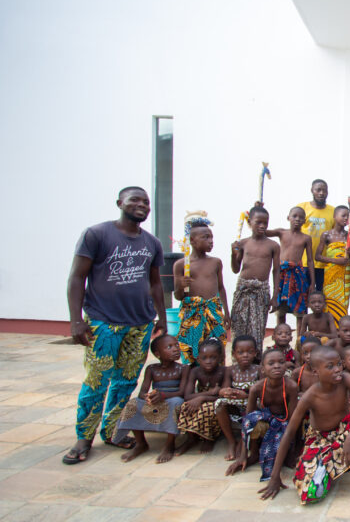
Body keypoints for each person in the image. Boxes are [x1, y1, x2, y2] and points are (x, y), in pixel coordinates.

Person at [63, 186, 167, 465]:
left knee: (126, 382)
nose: (142, 205)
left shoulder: (152, 243)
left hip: (140, 324)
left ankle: (113, 432)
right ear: (120, 202)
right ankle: (84, 437)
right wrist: (76, 321)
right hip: (103, 322)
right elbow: (76, 278)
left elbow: (155, 283)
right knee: (97, 381)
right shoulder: (96, 234)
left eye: (146, 202)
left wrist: (162, 318)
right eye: (135, 200)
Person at [257, 346, 350, 511]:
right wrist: (274, 477)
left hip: (346, 428)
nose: (337, 369)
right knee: (312, 494)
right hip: (321, 440)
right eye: (330, 366)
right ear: (316, 372)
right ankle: (330, 470)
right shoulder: (309, 397)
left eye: (339, 364)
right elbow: (289, 432)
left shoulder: (345, 379)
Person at [226, 348, 298, 480]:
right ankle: (253, 454)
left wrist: (292, 452)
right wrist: (242, 455)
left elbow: (293, 420)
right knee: (251, 421)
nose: (277, 366)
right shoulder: (256, 388)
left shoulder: (291, 386)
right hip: (267, 419)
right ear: (263, 369)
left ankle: (288, 454)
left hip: (284, 422)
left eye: (281, 362)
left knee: (279, 444)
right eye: (271, 363)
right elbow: (247, 421)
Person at [116, 334, 188, 464]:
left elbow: (183, 392)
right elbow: (142, 392)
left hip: (172, 398)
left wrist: (163, 396)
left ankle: (169, 444)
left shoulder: (183, 369)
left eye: (176, 345)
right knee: (133, 404)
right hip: (157, 399)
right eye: (169, 347)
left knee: (176, 403)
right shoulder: (152, 369)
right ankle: (141, 443)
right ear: (158, 353)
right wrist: (148, 397)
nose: (176, 349)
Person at [173, 218, 229, 364]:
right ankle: (192, 379)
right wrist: (180, 285)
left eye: (211, 237)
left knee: (217, 348)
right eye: (206, 237)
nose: (211, 241)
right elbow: (179, 296)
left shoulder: (215, 262)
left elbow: (221, 287)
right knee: (192, 350)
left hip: (213, 312)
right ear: (192, 240)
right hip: (192, 314)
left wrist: (226, 313)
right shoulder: (182, 265)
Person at [231, 206, 280, 358]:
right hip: (243, 288)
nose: (262, 226)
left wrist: (275, 295)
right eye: (258, 222)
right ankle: (237, 361)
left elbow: (276, 270)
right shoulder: (243, 243)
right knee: (239, 324)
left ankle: (256, 360)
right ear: (250, 222)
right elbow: (235, 269)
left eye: (265, 223)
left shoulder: (273, 245)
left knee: (257, 327)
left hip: (261, 289)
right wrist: (233, 254)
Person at [266, 206, 315, 331]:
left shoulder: (306, 238)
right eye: (294, 216)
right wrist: (257, 209)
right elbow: (263, 231)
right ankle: (279, 338)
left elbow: (310, 260)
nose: (297, 219)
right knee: (280, 310)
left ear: (305, 220)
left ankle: (299, 341)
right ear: (288, 218)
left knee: (300, 311)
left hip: (298, 275)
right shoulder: (281, 232)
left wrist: (312, 282)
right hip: (282, 275)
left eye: (301, 217)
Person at [174, 338, 226, 454]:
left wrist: (202, 398)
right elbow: (187, 396)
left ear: (220, 358)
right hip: (201, 397)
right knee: (185, 406)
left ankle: (209, 438)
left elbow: (223, 397)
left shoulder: (223, 371)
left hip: (216, 401)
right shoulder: (195, 371)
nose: (208, 361)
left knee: (208, 408)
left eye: (213, 357)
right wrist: (207, 394)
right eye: (204, 358)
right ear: (198, 358)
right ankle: (191, 438)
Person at [215, 335, 260, 461]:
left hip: (251, 404)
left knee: (257, 404)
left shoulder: (259, 370)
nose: (245, 355)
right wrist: (225, 391)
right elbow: (223, 389)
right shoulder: (230, 370)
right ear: (234, 354)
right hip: (235, 404)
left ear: (255, 353)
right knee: (219, 404)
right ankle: (231, 441)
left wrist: (246, 395)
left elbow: (263, 392)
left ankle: (243, 440)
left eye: (249, 352)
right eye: (240, 352)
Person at [316, 205, 350, 327]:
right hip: (330, 276)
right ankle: (329, 330)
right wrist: (335, 261)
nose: (346, 218)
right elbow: (318, 256)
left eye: (348, 216)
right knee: (330, 302)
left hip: (345, 275)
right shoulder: (327, 235)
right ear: (334, 216)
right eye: (343, 215)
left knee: (343, 303)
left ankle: (341, 330)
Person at [298, 179, 335, 291]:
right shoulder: (302, 207)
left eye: (324, 190)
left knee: (321, 299)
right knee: (302, 298)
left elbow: (335, 236)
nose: (321, 193)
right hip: (303, 262)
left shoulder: (333, 211)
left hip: (324, 264)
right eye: (318, 190)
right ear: (312, 191)